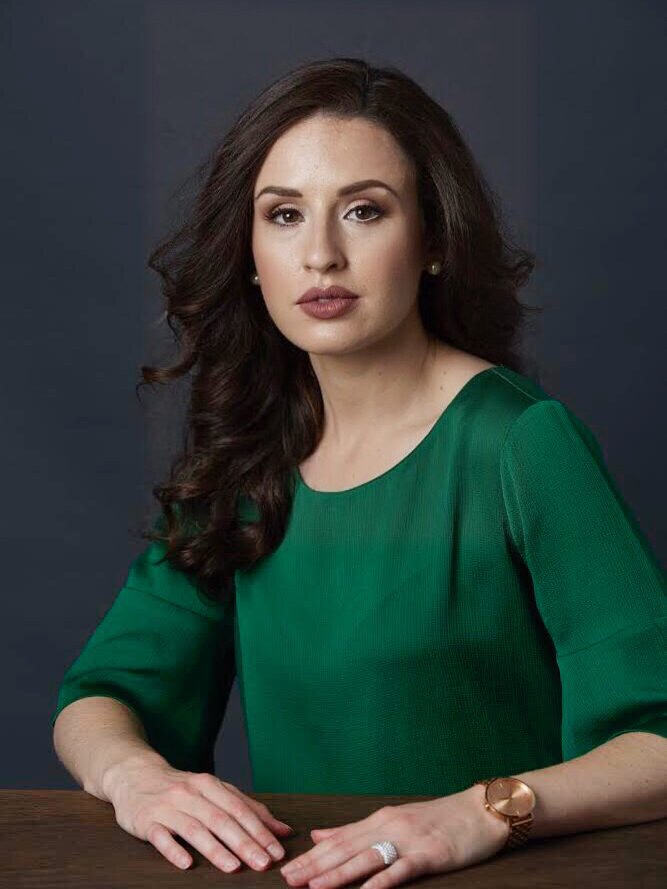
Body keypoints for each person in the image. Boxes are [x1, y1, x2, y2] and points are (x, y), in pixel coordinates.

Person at [52, 57, 667, 886]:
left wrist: (479, 811)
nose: (320, 255)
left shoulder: (521, 442)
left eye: (364, 211)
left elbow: (658, 741)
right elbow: (101, 694)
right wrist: (135, 777)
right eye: (284, 215)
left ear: (434, 240)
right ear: (248, 253)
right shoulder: (249, 457)